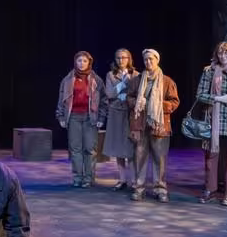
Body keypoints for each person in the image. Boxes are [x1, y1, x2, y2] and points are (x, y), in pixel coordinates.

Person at [127, 48, 180, 202]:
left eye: (151, 59)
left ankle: (160, 188)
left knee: (160, 158)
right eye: (145, 60)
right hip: (140, 124)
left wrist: (157, 104)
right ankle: (139, 188)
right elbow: (129, 99)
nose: (148, 62)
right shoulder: (136, 81)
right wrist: (138, 102)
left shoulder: (167, 81)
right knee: (140, 157)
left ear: (157, 60)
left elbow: (174, 102)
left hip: (159, 125)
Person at [196, 42, 227, 206]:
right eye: (220, 53)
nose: (223, 56)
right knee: (211, 156)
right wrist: (217, 98)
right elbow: (200, 95)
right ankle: (210, 189)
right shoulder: (209, 71)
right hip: (213, 120)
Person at [56, 50, 108, 188]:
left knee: (90, 149)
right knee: (75, 149)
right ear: (75, 62)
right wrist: (60, 116)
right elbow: (61, 99)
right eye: (79, 60)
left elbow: (104, 100)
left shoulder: (96, 80)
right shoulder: (68, 79)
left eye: (85, 61)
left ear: (89, 62)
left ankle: (88, 178)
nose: (82, 63)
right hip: (73, 117)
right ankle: (78, 177)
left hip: (90, 117)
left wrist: (101, 117)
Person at [102, 48, 140, 190]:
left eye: (124, 58)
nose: (121, 60)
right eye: (118, 58)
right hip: (116, 113)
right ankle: (122, 179)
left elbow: (138, 94)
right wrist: (122, 85)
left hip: (130, 113)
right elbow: (110, 94)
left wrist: (128, 95)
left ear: (129, 59)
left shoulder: (136, 74)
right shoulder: (111, 75)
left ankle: (135, 180)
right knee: (118, 148)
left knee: (130, 148)